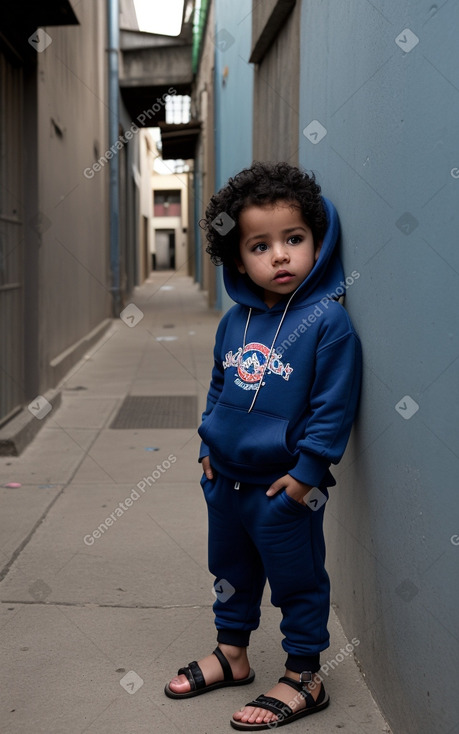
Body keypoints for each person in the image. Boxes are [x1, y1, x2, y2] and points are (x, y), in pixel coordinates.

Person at [164, 161, 362, 730]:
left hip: (284, 486)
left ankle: (305, 675)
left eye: (293, 239)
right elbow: (221, 383)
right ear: (237, 259)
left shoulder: (328, 323)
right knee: (229, 567)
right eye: (260, 245)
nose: (279, 256)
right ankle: (233, 655)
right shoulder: (236, 322)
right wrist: (207, 445)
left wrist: (305, 474)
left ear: (318, 243)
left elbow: (332, 410)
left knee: (297, 578)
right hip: (223, 477)